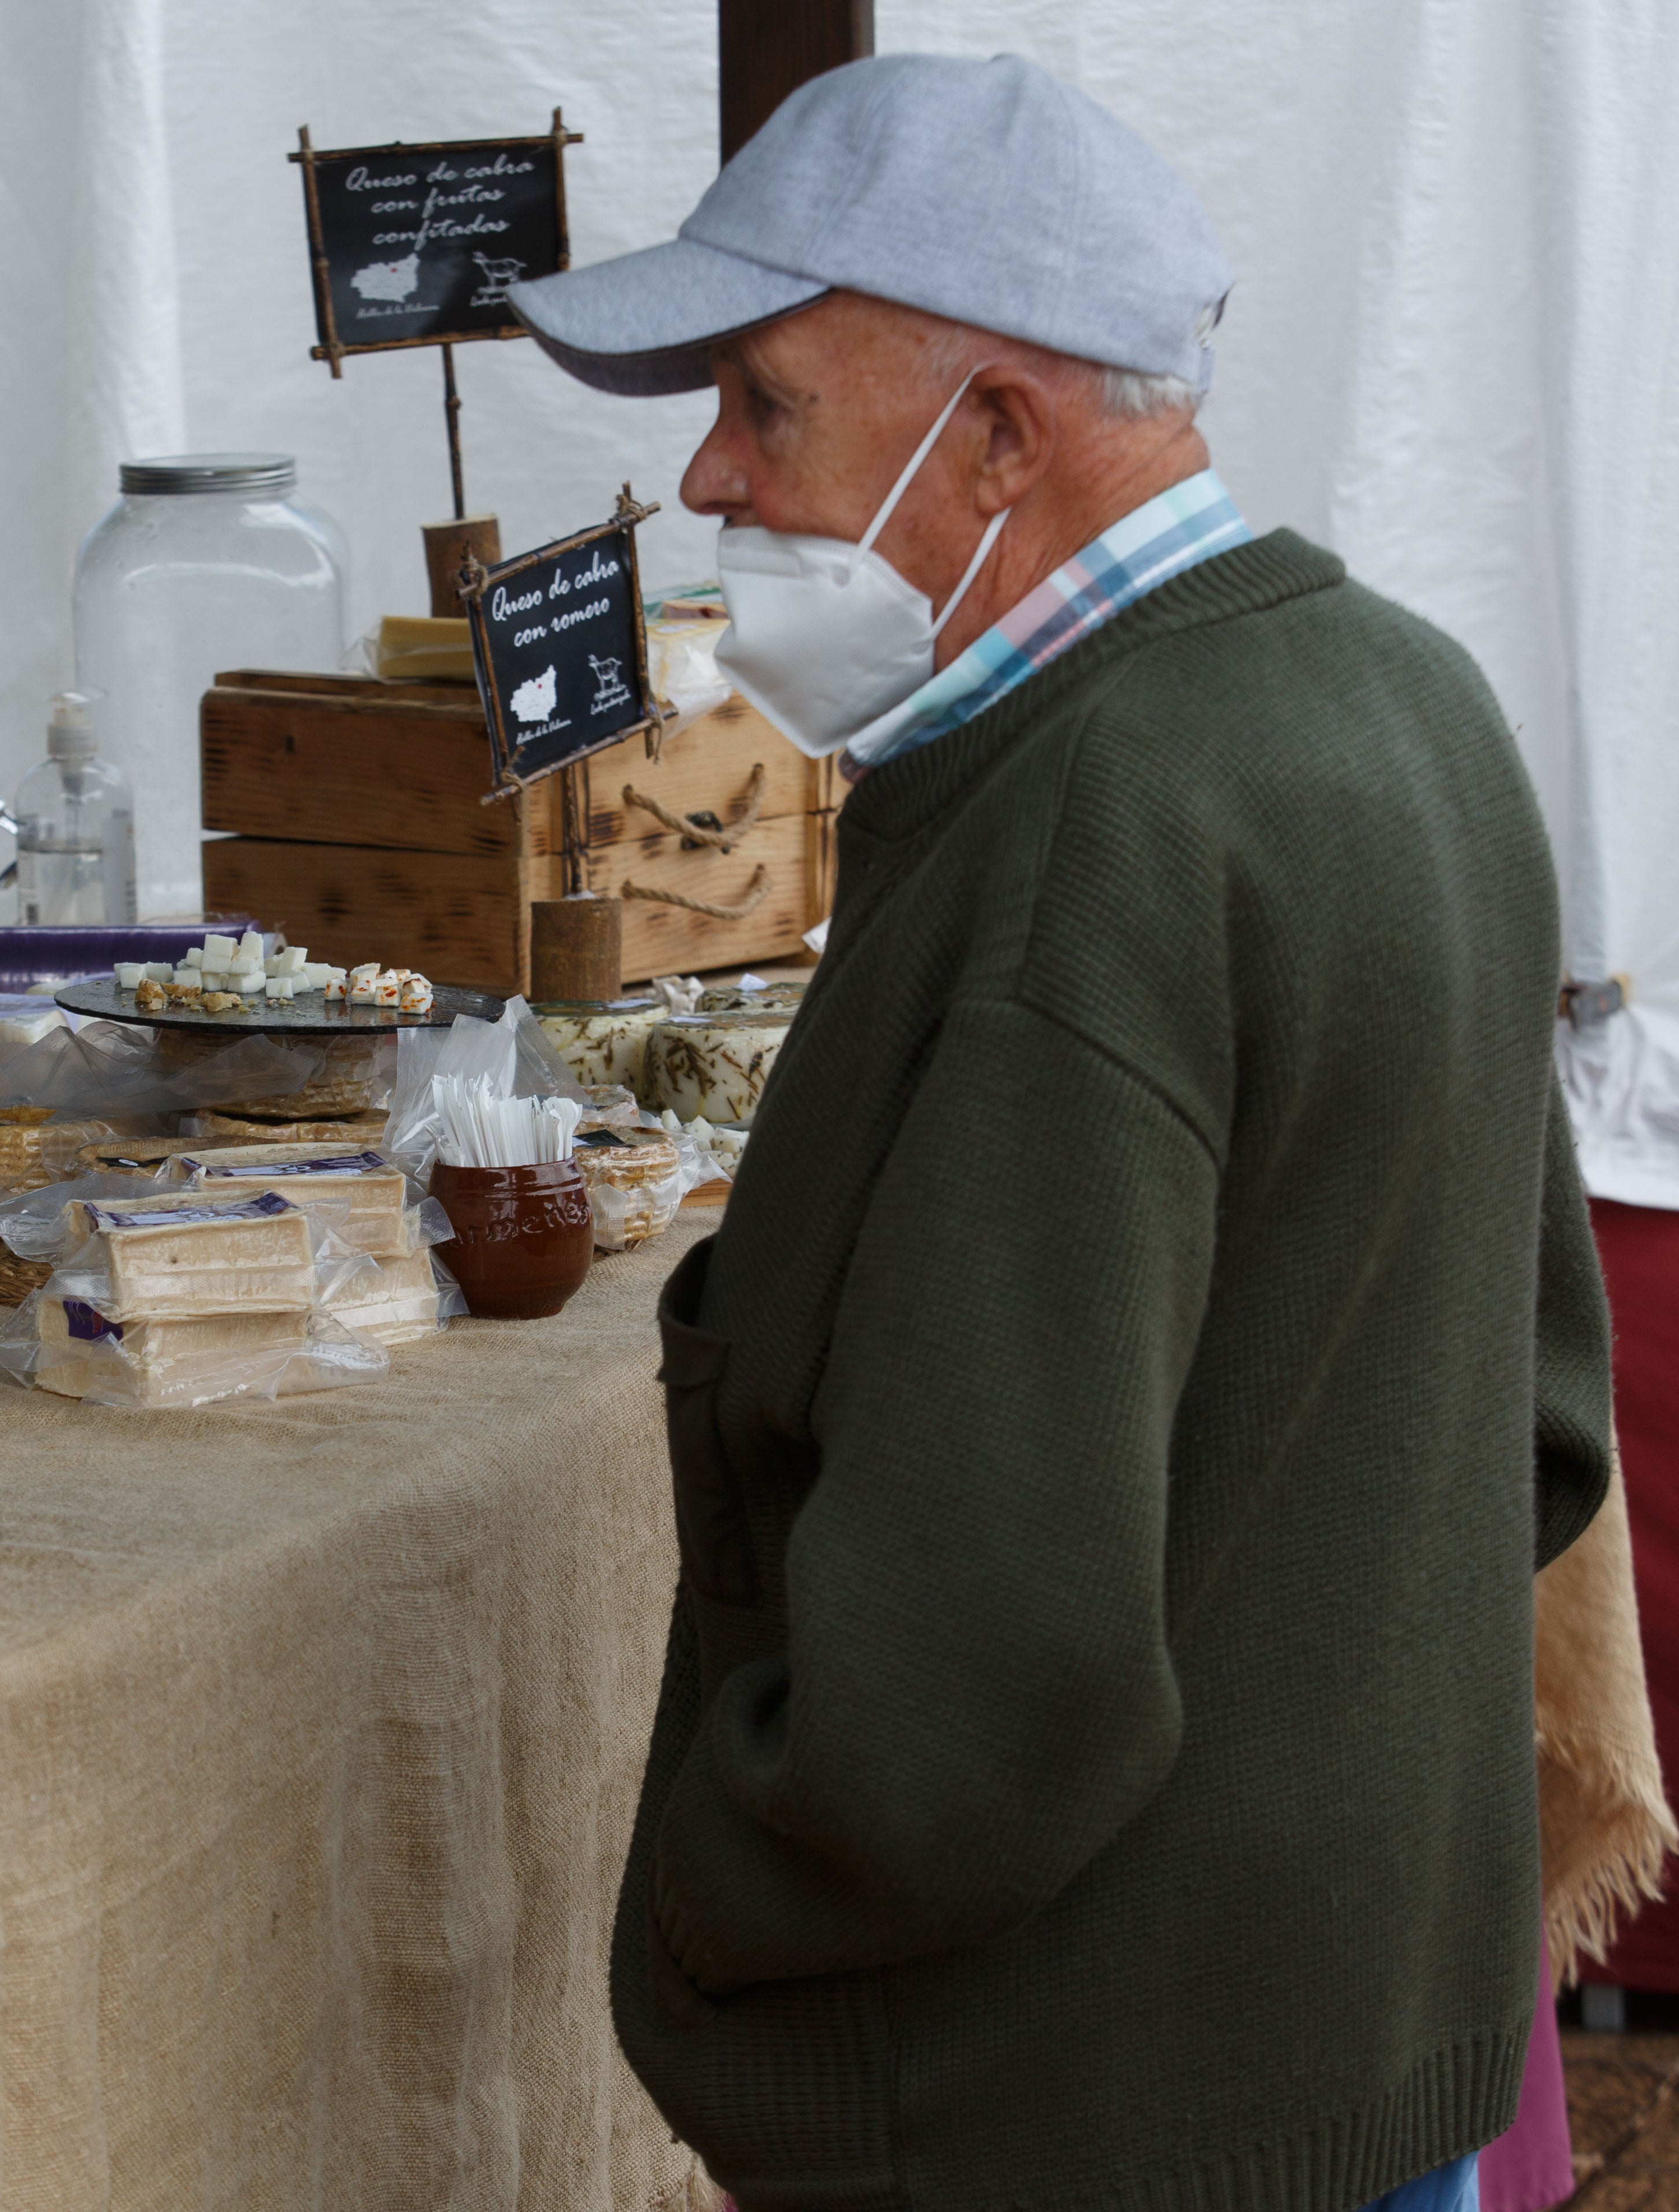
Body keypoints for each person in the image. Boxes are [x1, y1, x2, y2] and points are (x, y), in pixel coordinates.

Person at [508, 54, 1613, 2212]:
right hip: (1346, 2044)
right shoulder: (1410, 696)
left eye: (762, 398)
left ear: (1000, 430)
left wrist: (708, 1888)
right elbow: (1539, 1434)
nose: (710, 474)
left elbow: (970, 1694)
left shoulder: (1094, 828)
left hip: (1090, 2104)